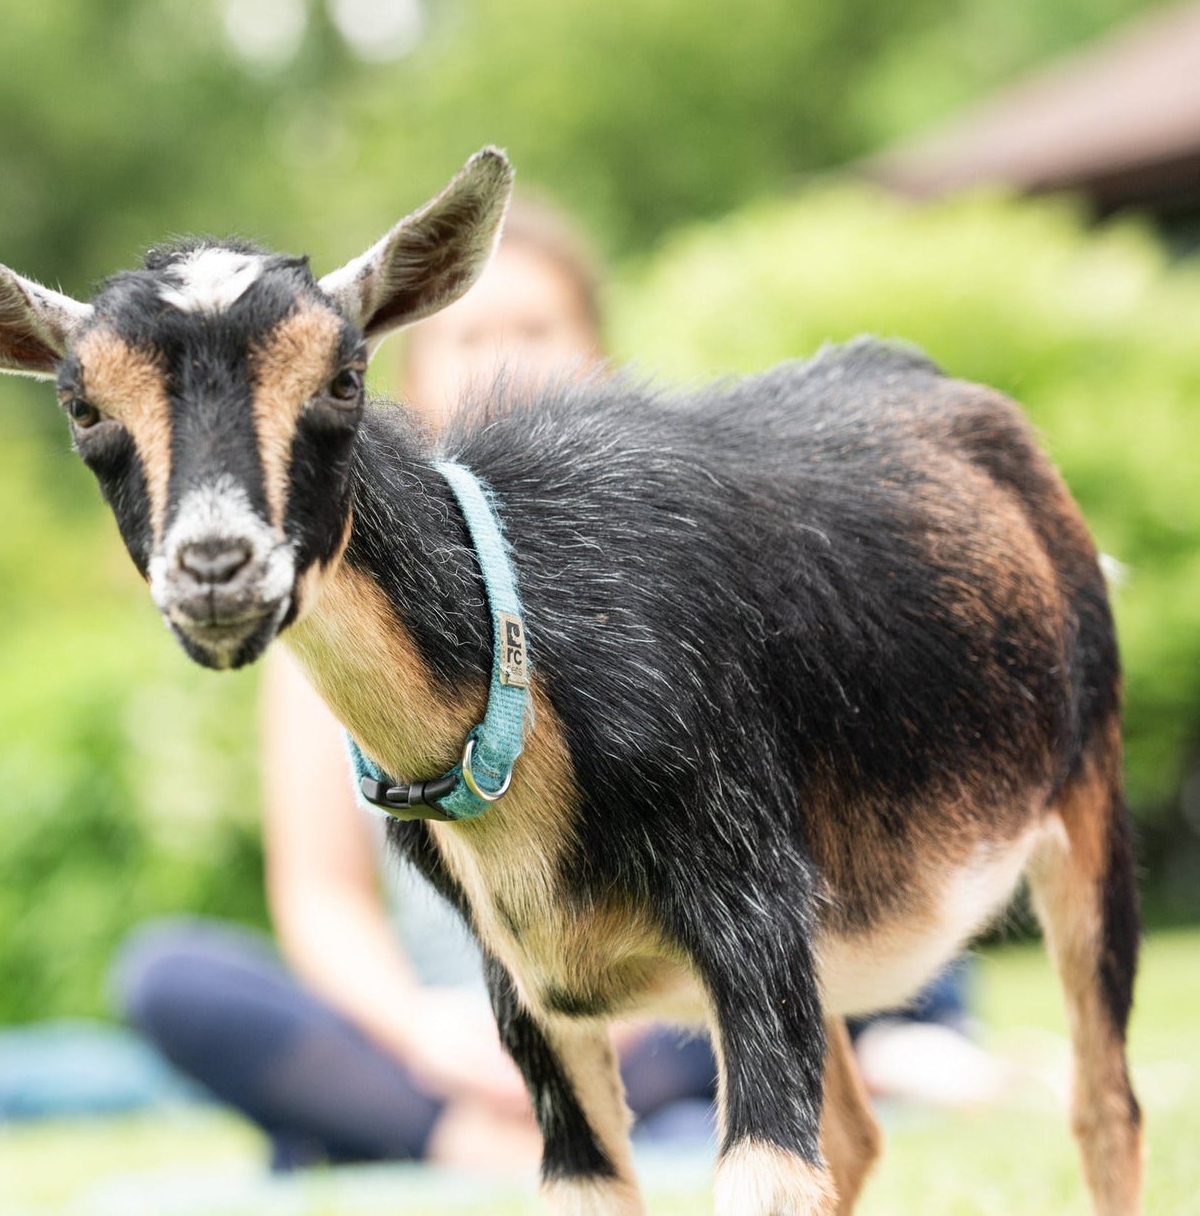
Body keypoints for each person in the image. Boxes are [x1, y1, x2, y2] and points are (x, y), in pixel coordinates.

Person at [111, 196, 999, 1170]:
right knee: (171, 979)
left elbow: (772, 831)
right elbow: (323, 899)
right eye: (470, 335)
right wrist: (427, 1030)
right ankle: (472, 1127)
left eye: (534, 327)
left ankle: (494, 1122)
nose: (504, 356)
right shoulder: (318, 600)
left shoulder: (662, 573)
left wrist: (611, 1007)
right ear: (369, 382)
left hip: (661, 985)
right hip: (453, 1023)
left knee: (764, 960)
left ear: (597, 355)